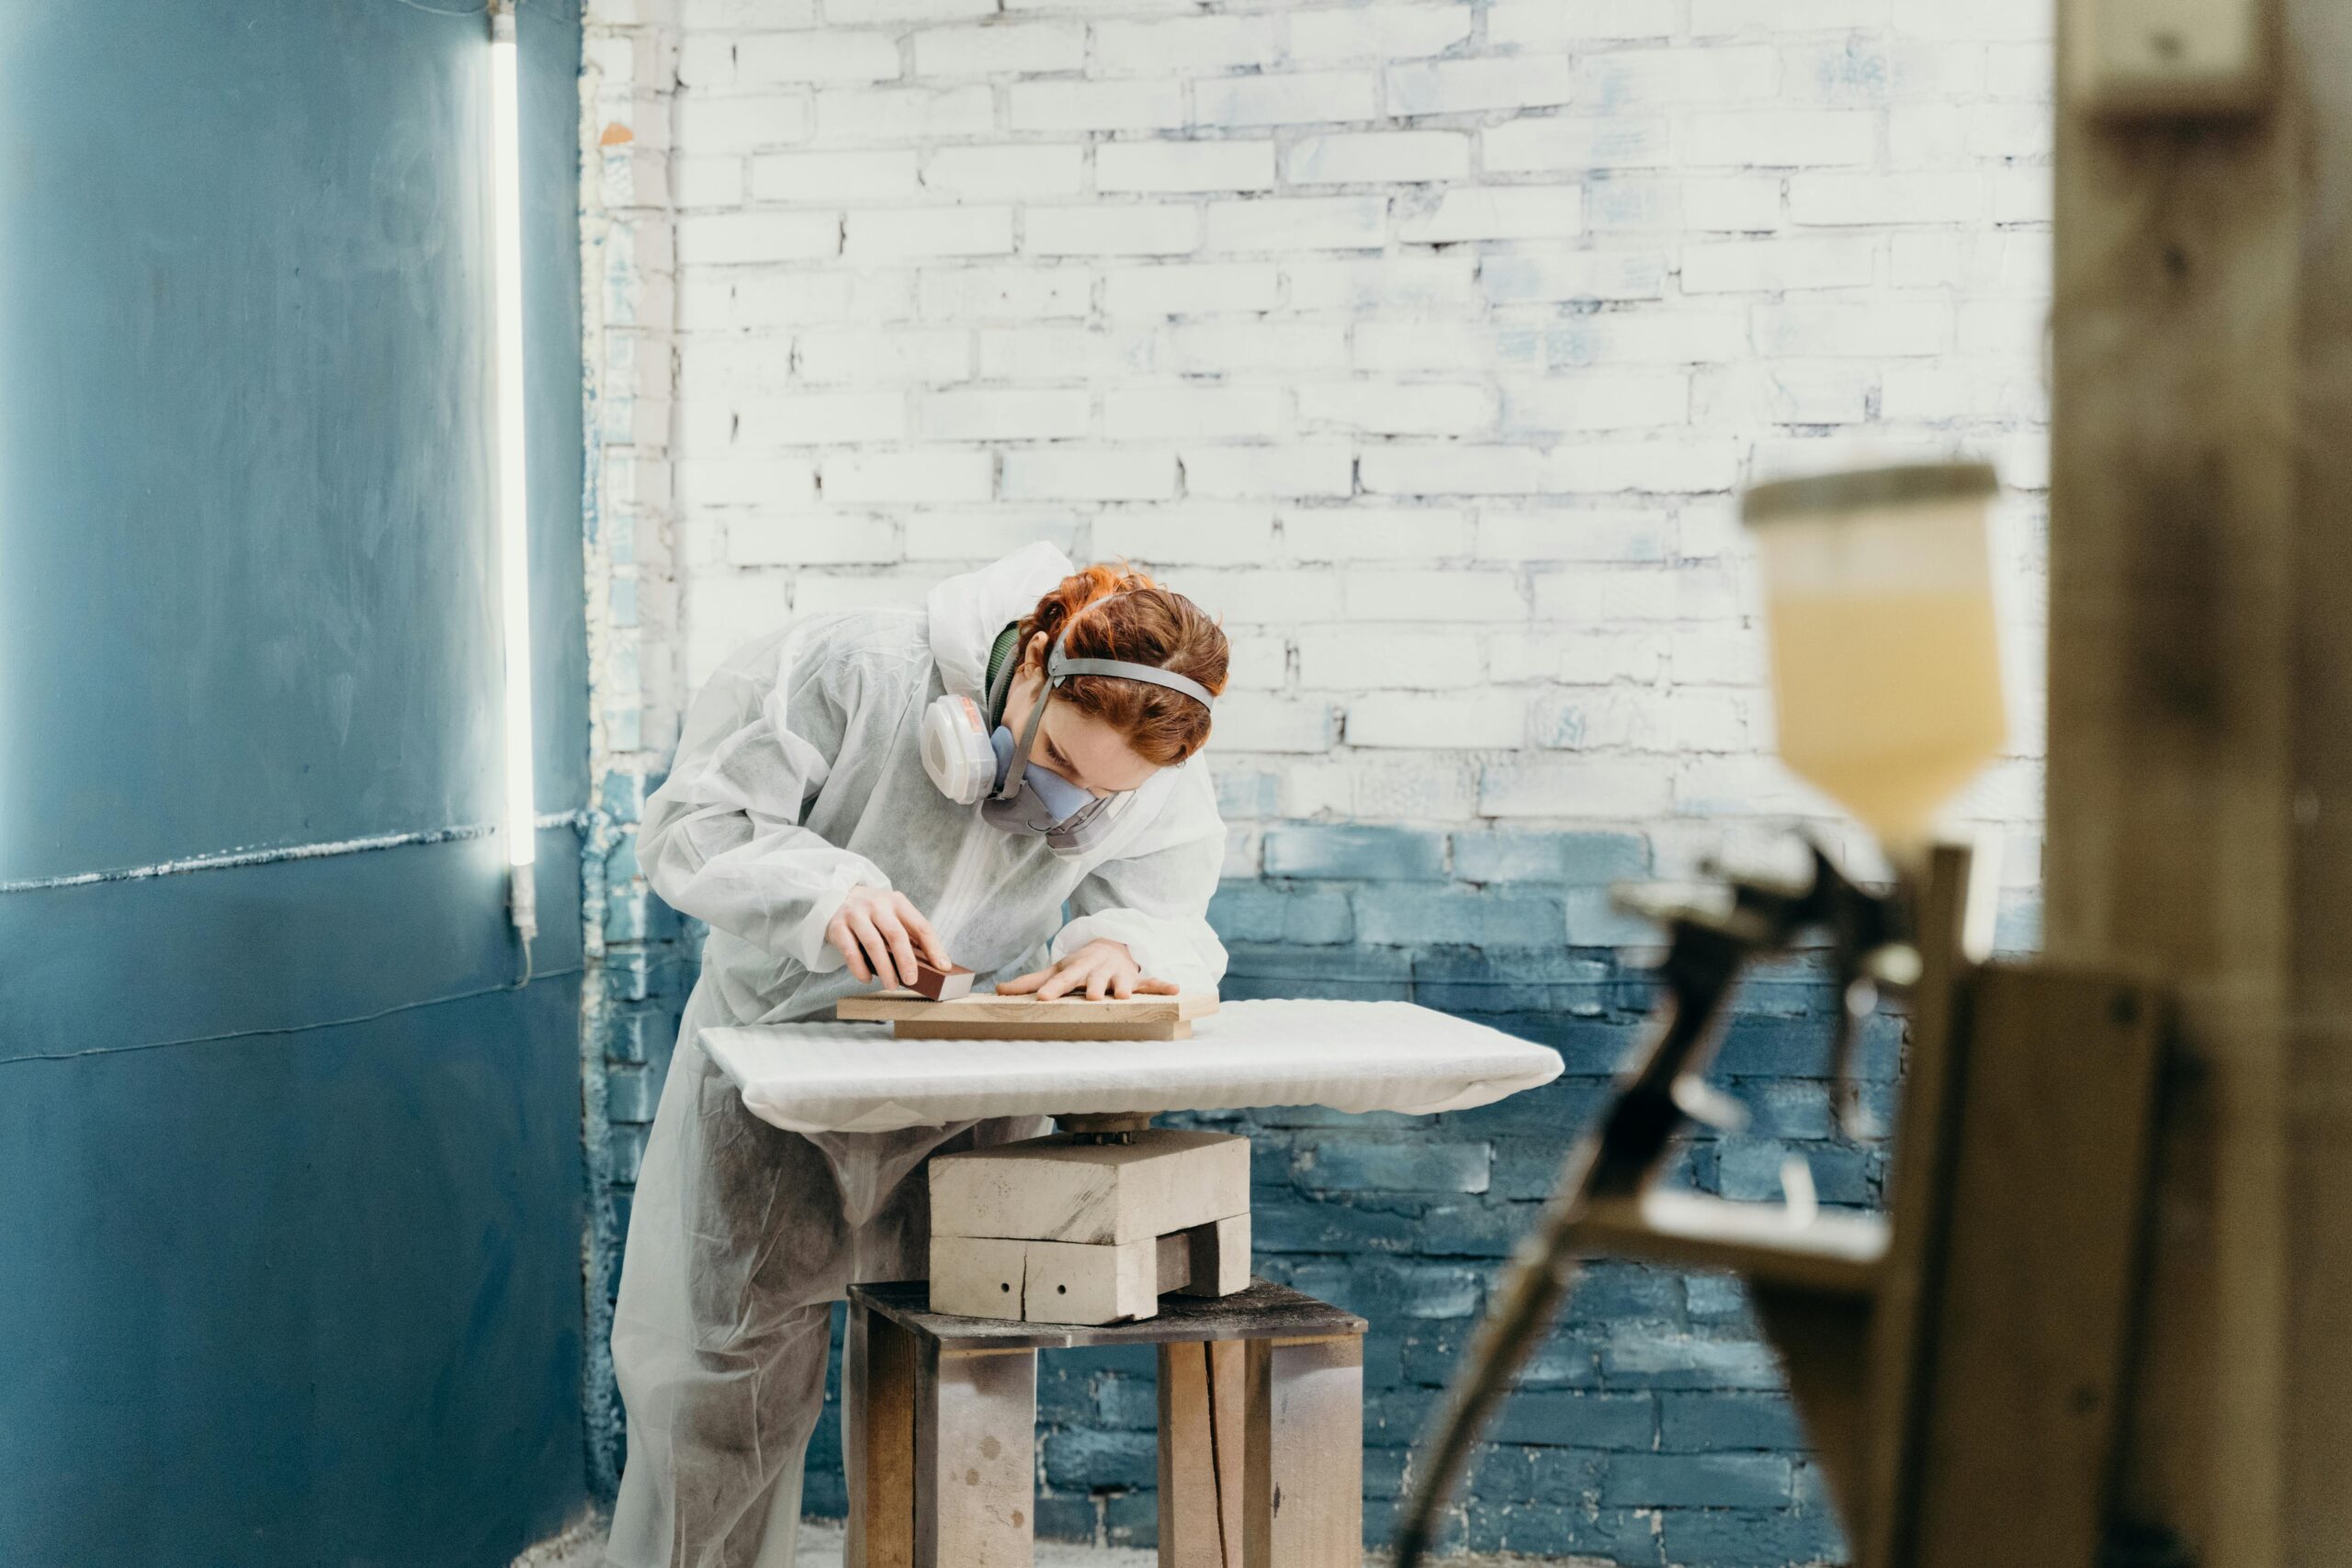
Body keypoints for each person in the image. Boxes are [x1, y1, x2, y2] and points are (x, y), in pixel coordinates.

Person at [603, 542, 1232, 1568]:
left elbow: (1172, 912)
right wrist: (823, 893)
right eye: (1061, 763)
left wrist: (1126, 946)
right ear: (1031, 662)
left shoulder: (1151, 774)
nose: (1066, 805)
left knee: (956, 1379)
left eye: (1097, 798)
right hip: (779, 1070)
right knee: (721, 1384)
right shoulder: (850, 669)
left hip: (963, 1086)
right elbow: (689, 830)